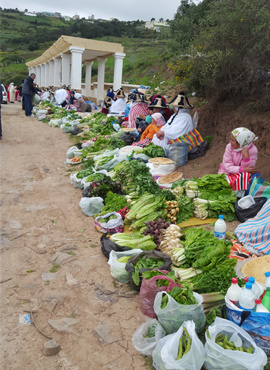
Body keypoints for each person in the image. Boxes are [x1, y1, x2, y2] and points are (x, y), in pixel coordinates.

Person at [153, 91, 203, 166]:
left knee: (163, 140)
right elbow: (167, 125)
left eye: (174, 107)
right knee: (156, 137)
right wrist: (161, 131)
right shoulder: (175, 116)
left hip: (181, 140)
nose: (173, 108)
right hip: (171, 136)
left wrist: (163, 133)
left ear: (178, 108)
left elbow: (178, 131)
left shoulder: (185, 117)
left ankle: (162, 157)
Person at [218, 128, 258, 193]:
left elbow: (249, 169)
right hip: (227, 170)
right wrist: (243, 169)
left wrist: (246, 158)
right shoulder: (229, 147)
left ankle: (238, 194)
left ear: (240, 142)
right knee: (222, 185)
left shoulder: (253, 150)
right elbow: (227, 165)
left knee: (245, 178)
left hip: (241, 175)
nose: (230, 142)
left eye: (232, 140)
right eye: (230, 139)